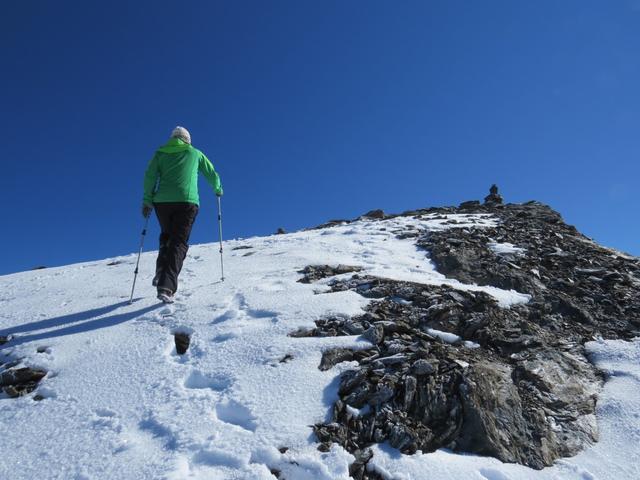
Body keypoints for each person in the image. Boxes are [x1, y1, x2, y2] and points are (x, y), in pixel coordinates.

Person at [142, 126, 223, 303]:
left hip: (162, 203)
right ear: (188, 139)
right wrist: (218, 189)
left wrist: (147, 200)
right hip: (187, 202)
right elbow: (211, 173)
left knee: (166, 236)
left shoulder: (160, 154)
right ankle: (166, 286)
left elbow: (150, 176)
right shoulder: (195, 153)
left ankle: (160, 272)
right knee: (178, 241)